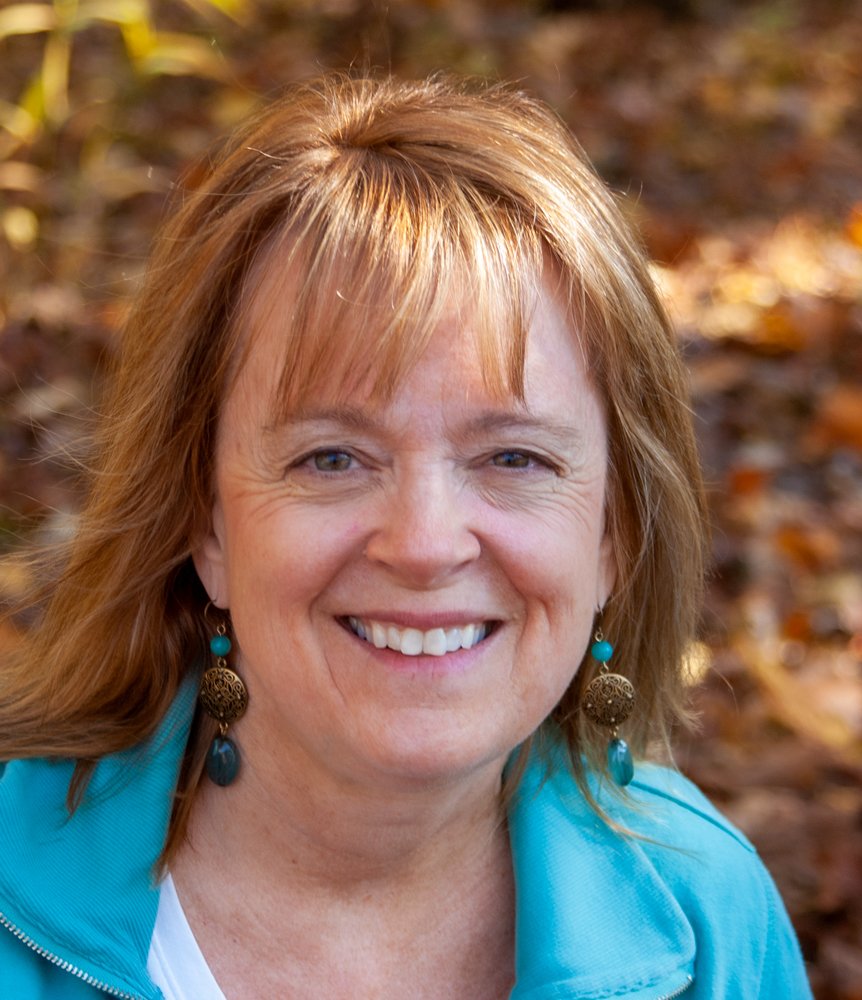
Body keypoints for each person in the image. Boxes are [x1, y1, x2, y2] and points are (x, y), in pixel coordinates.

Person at [0, 74, 812, 999]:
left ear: (613, 534)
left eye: (513, 458)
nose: (425, 545)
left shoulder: (709, 919)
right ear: (204, 518)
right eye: (332, 458)